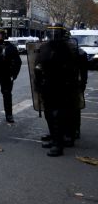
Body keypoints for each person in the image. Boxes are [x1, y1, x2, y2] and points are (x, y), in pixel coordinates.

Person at [34, 24, 87, 156]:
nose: (53, 36)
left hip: (64, 86)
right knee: (49, 113)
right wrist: (38, 83)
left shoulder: (70, 49)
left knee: (60, 114)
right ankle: (54, 138)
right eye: (51, 33)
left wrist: (81, 84)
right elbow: (38, 66)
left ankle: (59, 144)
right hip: (48, 85)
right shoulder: (45, 47)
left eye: (56, 33)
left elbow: (79, 69)